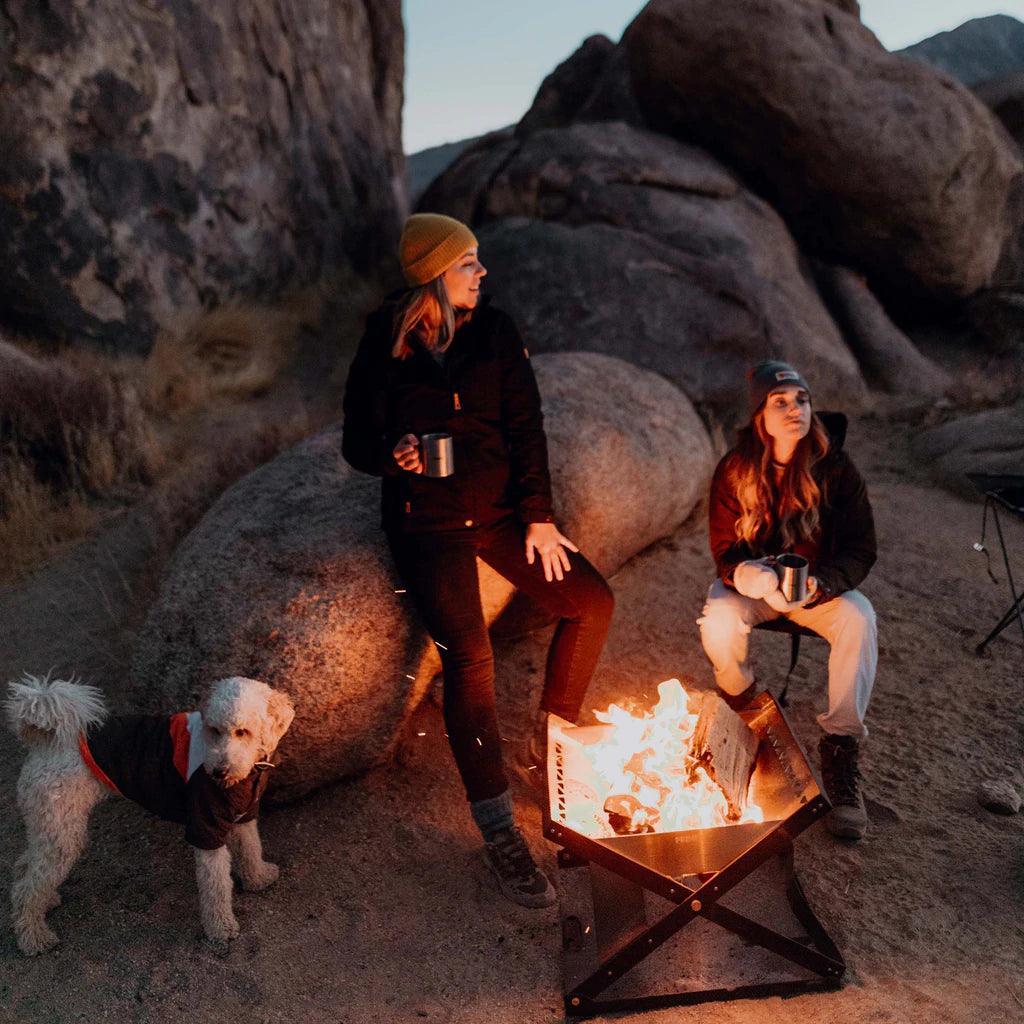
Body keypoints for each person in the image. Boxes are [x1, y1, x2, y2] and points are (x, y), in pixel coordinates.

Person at [341, 213, 615, 906]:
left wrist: (541, 518)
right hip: (425, 523)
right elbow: (355, 442)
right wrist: (393, 456)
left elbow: (526, 426)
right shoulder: (385, 340)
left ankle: (550, 740)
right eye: (468, 263)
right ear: (436, 272)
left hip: (496, 514)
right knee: (470, 659)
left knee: (590, 602)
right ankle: (498, 831)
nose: (481, 273)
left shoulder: (494, 330)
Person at [698, 360, 877, 841]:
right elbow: (723, 548)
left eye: (801, 399)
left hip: (815, 589)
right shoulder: (736, 469)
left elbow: (861, 548)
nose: (794, 409)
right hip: (757, 588)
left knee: (860, 619)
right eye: (780, 401)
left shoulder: (836, 468)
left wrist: (827, 582)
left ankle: (840, 749)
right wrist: (744, 573)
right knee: (718, 619)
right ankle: (746, 707)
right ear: (760, 414)